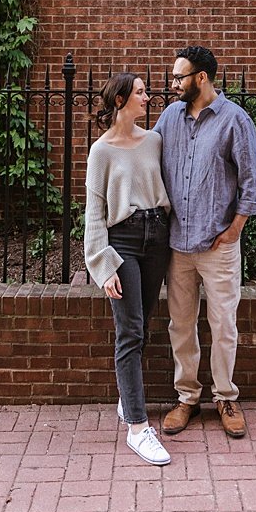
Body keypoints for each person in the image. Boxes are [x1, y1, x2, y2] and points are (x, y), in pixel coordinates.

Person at [155, 45, 256, 440]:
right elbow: (149, 161)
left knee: (223, 325)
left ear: (201, 78)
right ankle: (187, 398)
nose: (172, 85)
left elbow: (253, 181)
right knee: (181, 326)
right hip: (178, 246)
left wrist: (235, 229)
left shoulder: (235, 120)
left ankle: (224, 397)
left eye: (178, 77)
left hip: (219, 245)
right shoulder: (169, 118)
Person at [84, 73, 172, 466]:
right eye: (140, 92)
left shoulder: (154, 141)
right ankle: (137, 427)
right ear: (120, 99)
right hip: (123, 241)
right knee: (130, 330)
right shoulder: (101, 152)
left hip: (158, 238)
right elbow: (94, 216)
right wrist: (103, 267)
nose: (148, 98)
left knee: (143, 321)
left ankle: (127, 398)